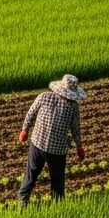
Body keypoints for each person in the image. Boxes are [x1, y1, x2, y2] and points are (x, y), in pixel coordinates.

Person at [17, 74, 87, 205]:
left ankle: (26, 200)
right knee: (54, 178)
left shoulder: (46, 97)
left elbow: (30, 113)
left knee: (33, 174)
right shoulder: (69, 105)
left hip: (41, 144)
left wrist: (25, 130)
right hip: (52, 148)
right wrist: (24, 130)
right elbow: (75, 129)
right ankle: (26, 200)